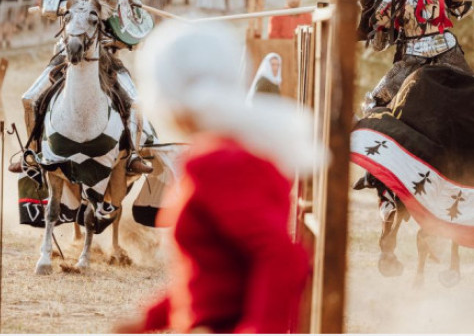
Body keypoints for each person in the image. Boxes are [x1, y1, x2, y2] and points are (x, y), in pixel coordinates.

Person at [114, 21, 323, 334]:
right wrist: (151, 318)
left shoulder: (217, 162)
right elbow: (217, 272)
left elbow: (282, 257)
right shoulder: (229, 154)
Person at [9, 0, 153, 176]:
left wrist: (110, 5)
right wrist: (69, 5)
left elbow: (128, 29)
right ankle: (33, 151)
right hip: (65, 56)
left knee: (136, 101)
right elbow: (48, 4)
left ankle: (134, 154)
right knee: (29, 98)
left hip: (106, 60)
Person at [353, 0, 474, 190]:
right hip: (449, 54)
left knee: (373, 103)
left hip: (412, 62)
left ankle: (377, 173)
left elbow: (380, 43)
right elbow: (464, 7)